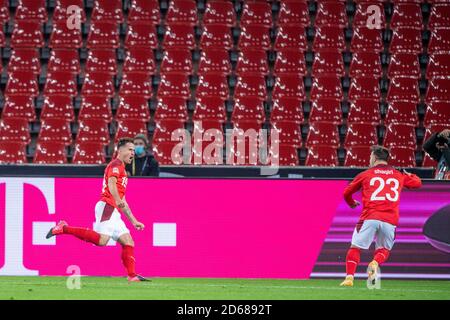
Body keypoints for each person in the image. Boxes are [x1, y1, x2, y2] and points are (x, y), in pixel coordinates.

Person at [46, 138, 149, 282]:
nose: (133, 153)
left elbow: (122, 199)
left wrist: (134, 220)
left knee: (128, 241)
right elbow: (112, 184)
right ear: (120, 150)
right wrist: (117, 201)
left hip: (114, 209)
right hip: (107, 206)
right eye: (130, 149)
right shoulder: (116, 165)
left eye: (133, 150)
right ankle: (64, 228)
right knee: (102, 241)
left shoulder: (123, 170)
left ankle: (132, 275)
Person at [340, 145, 422, 287]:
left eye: (370, 156)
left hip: (369, 216)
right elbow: (417, 183)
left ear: (375, 157)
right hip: (390, 220)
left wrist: (351, 203)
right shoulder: (398, 175)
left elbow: (346, 192)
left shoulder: (365, 174)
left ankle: (349, 278)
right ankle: (375, 263)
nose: (369, 159)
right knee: (383, 249)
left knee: (355, 247)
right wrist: (409, 174)